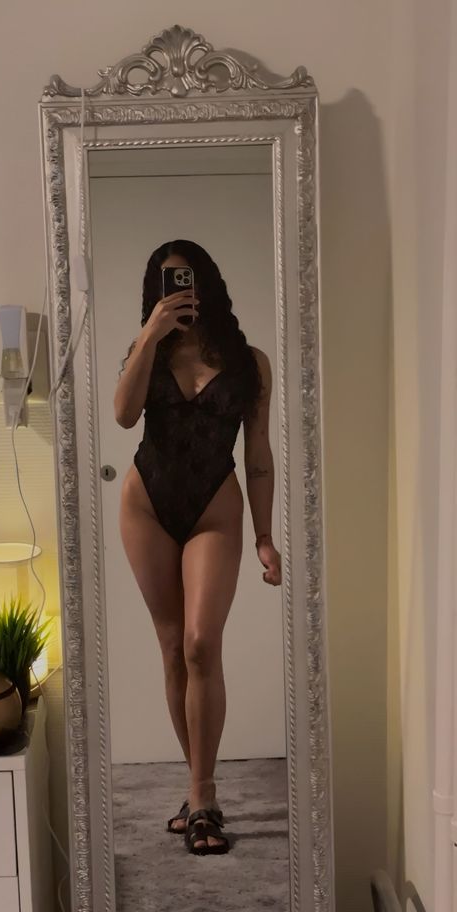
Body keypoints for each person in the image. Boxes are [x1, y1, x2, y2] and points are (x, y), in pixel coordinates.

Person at [114, 239, 281, 856]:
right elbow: (123, 415)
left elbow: (257, 454)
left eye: (186, 280)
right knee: (171, 647)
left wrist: (264, 535)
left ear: (207, 284)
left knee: (201, 643)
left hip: (215, 504)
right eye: (167, 284)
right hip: (147, 505)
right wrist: (150, 335)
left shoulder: (249, 362)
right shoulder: (146, 351)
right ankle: (199, 791)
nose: (179, 292)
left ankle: (202, 795)